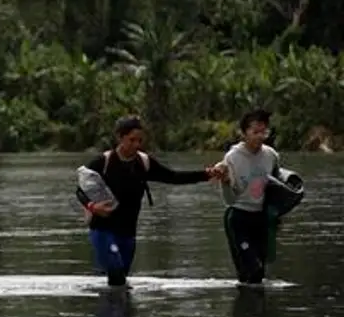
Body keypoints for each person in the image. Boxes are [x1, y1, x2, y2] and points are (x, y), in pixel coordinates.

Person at [74, 115, 224, 287]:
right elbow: (80, 191)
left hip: (128, 232)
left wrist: (206, 174)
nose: (136, 145)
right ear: (119, 138)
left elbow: (173, 177)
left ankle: (118, 312)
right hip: (103, 229)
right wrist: (92, 206)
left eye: (140, 140)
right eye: (131, 140)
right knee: (116, 273)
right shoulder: (103, 162)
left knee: (120, 281)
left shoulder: (144, 163)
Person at [217, 108, 284, 286]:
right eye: (255, 132)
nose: (260, 137)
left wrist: (276, 215)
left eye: (264, 132)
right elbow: (230, 200)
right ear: (244, 133)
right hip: (239, 218)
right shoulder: (232, 158)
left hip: (261, 218)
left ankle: (252, 311)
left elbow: (277, 187)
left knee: (257, 276)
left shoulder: (271, 155)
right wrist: (224, 181)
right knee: (252, 269)